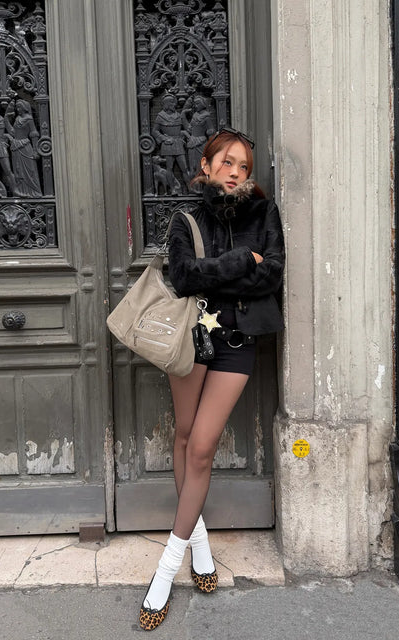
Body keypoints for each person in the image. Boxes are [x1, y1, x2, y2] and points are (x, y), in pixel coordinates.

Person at [139, 128, 285, 631]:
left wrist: (217, 271)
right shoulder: (187, 219)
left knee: (201, 448)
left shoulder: (263, 213)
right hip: (192, 341)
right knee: (183, 436)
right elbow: (183, 277)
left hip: (237, 343)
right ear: (206, 165)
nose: (235, 172)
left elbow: (274, 274)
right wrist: (243, 261)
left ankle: (164, 572)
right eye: (227, 162)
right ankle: (199, 548)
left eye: (244, 166)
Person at [4, 99, 42, 197]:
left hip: (25, 147)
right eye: (17, 107)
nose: (17, 109)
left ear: (24, 108)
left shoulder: (29, 119)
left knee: (30, 170)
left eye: (19, 107)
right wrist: (6, 119)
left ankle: (34, 192)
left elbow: (34, 134)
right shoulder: (17, 118)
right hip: (16, 147)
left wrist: (35, 151)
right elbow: (13, 132)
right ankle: (22, 192)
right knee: (18, 170)